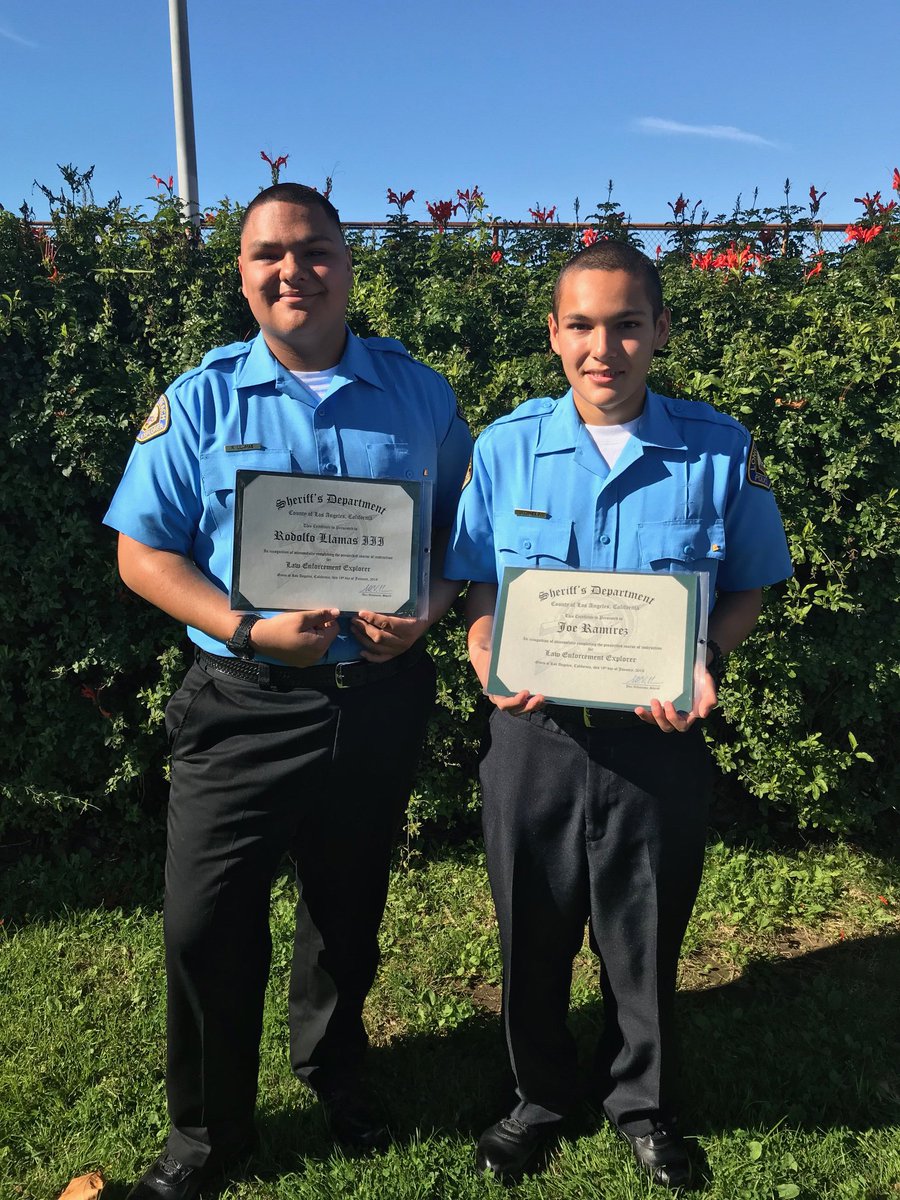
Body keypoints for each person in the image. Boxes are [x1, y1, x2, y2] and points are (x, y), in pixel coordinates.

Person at [104, 182, 472, 1200]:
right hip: (243, 696)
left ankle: (336, 1074)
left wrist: (429, 610)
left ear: (347, 264)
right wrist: (244, 627)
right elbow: (142, 554)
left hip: (376, 695)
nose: (292, 270)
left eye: (313, 250)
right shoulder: (203, 398)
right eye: (268, 254)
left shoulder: (420, 395)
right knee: (203, 921)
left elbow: (463, 538)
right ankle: (207, 1134)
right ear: (242, 274)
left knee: (347, 910)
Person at [444, 240, 792, 1188]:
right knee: (531, 928)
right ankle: (540, 1097)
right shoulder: (507, 447)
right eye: (584, 326)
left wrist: (706, 658)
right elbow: (477, 581)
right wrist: (484, 650)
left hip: (656, 740)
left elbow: (749, 585)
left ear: (661, 329)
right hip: (534, 739)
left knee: (644, 931)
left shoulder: (718, 449)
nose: (605, 348)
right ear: (554, 334)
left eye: (628, 325)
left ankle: (642, 1103)